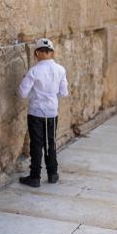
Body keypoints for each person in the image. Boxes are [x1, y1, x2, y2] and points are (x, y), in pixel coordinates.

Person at [18, 38, 69, 188]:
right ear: (52, 53)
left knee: (36, 144)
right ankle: (52, 173)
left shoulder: (34, 71)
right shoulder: (60, 70)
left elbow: (22, 93)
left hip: (36, 112)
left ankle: (35, 177)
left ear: (37, 53)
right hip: (52, 112)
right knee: (50, 142)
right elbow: (64, 92)